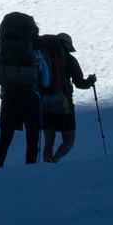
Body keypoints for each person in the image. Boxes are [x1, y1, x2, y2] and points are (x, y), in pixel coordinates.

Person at [0, 11, 52, 167]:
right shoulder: (36, 51)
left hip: (8, 97)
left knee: (5, 136)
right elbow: (45, 80)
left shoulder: (4, 48)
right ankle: (30, 167)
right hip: (30, 97)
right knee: (32, 137)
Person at [39, 31, 97, 162]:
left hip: (44, 104)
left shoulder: (42, 57)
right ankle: (55, 161)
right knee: (69, 140)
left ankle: (47, 165)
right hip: (63, 104)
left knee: (48, 142)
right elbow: (80, 83)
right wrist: (90, 81)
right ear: (68, 45)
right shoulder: (69, 59)